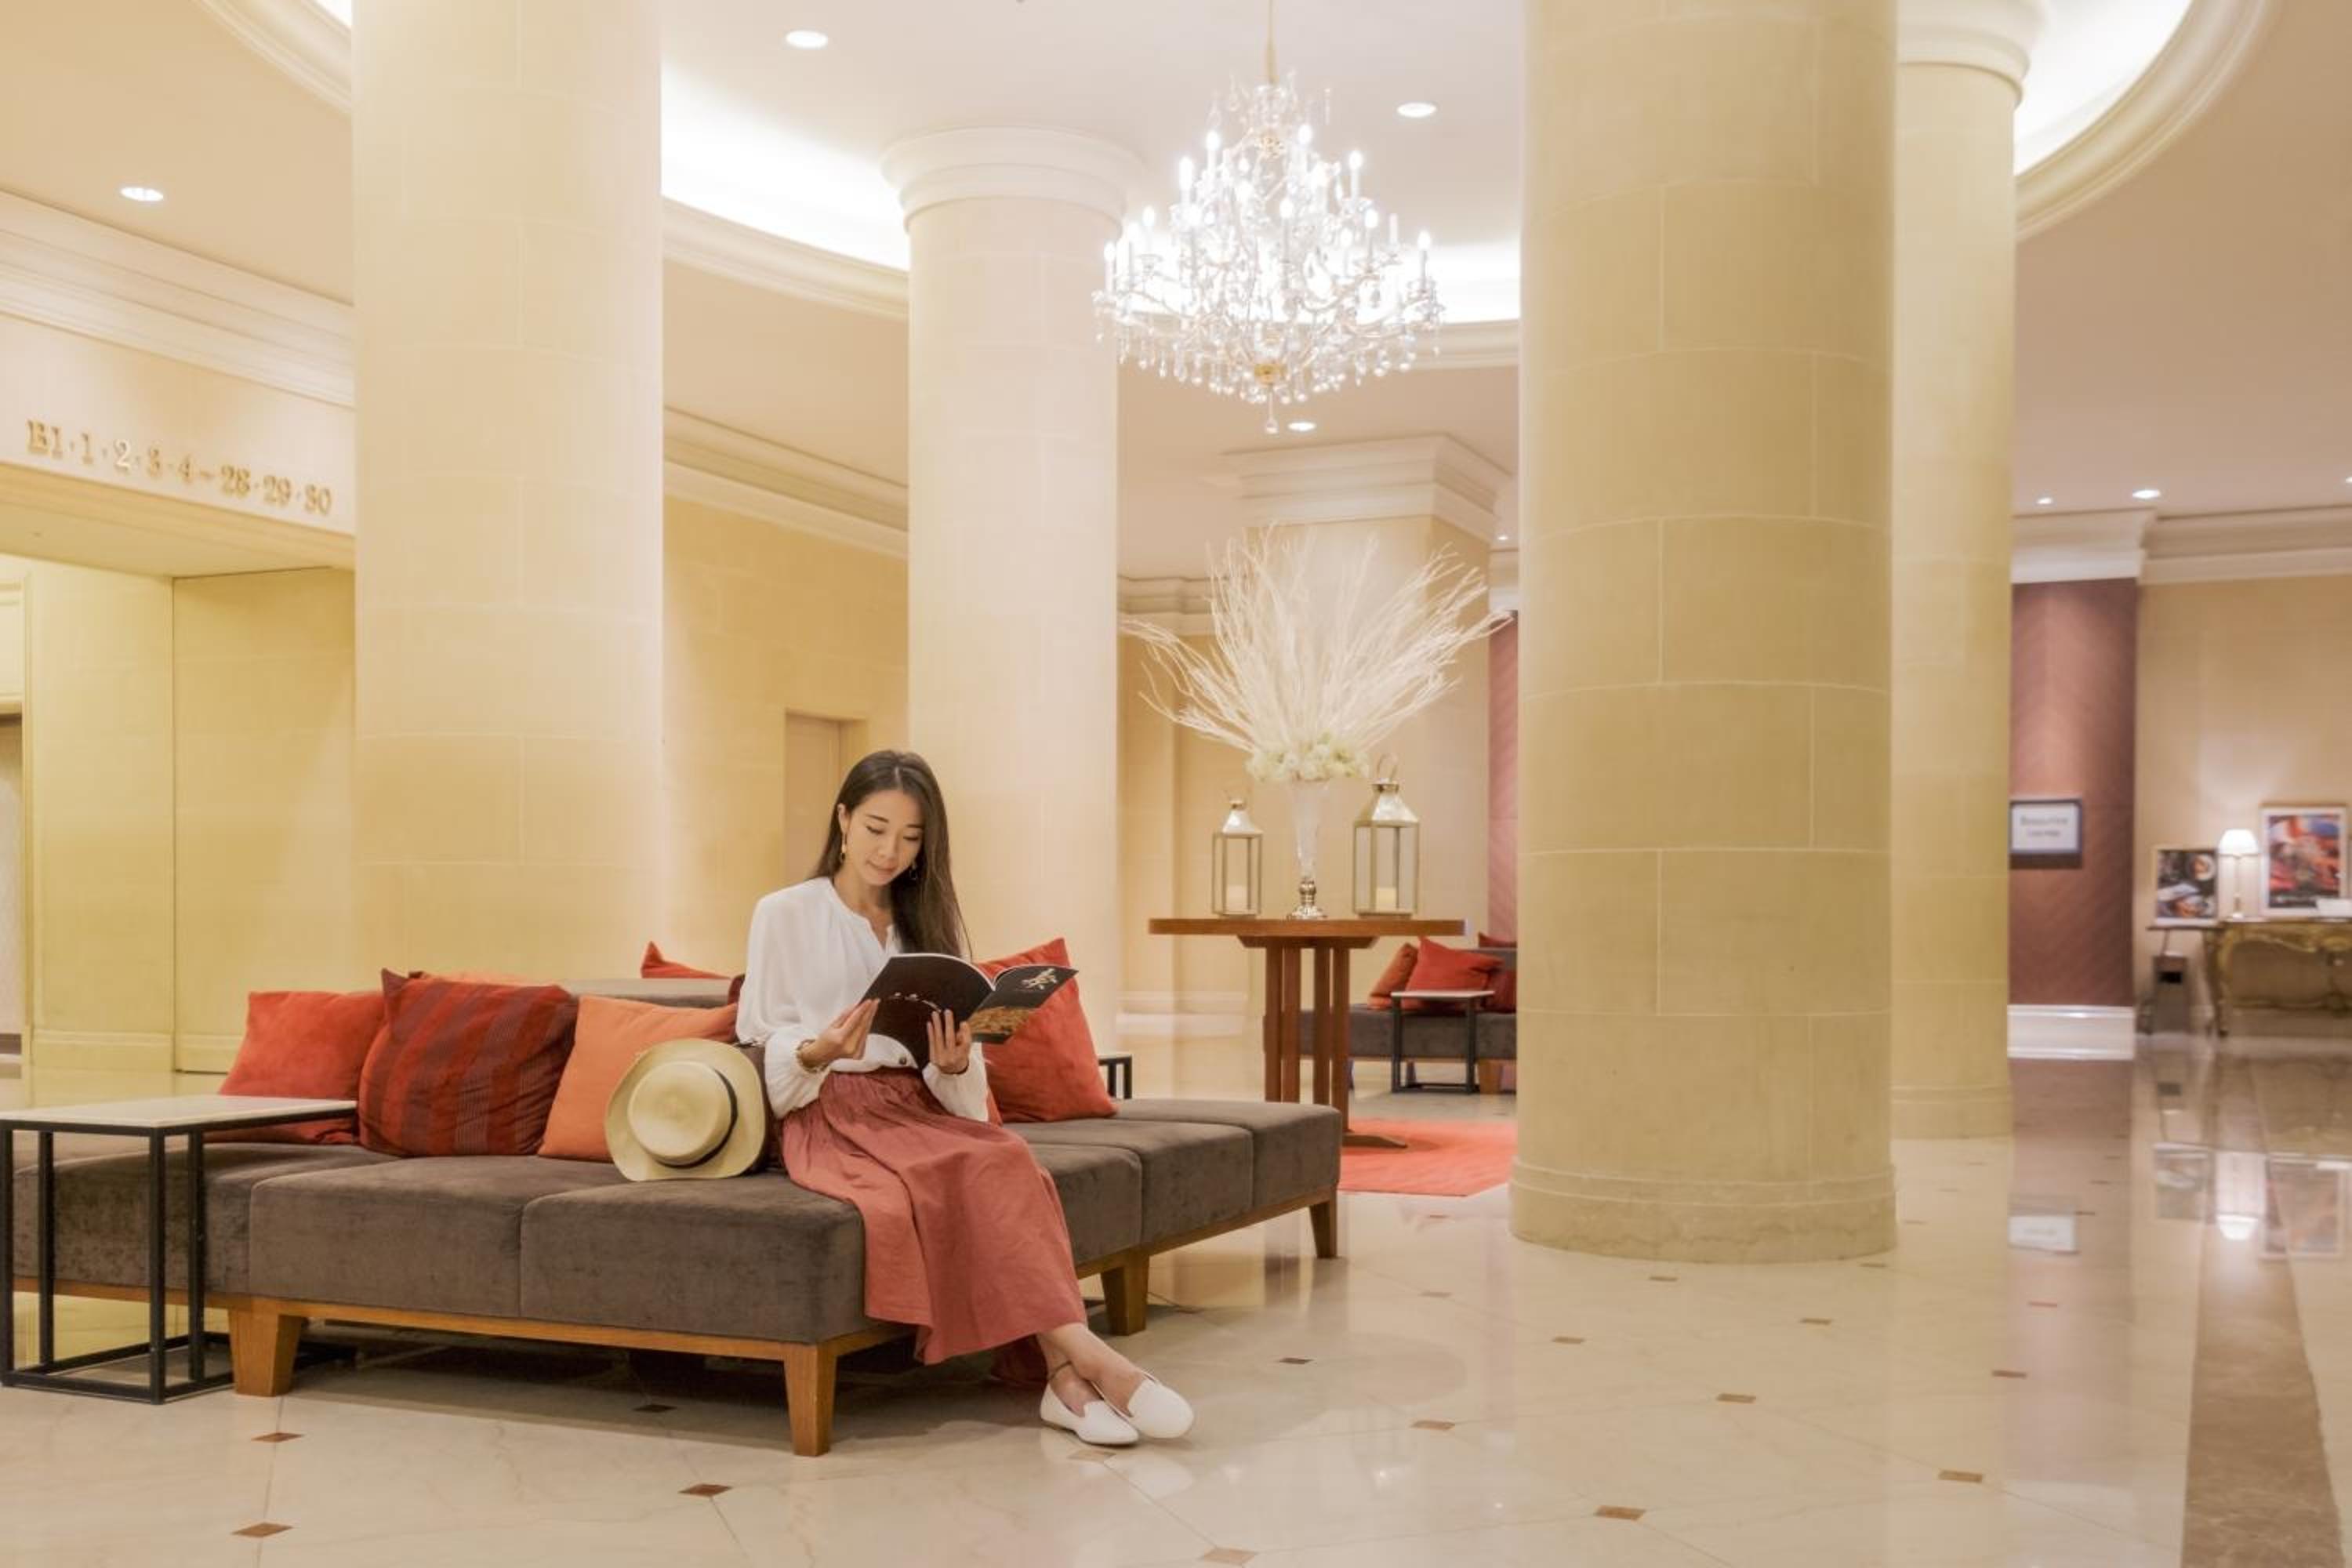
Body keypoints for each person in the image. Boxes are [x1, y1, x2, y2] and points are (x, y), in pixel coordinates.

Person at [739, 749, 1192, 1447]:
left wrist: (953, 1064)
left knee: (1006, 1159)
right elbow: (759, 1033)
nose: (890, 851)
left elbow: (956, 1082)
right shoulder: (785, 913)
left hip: (914, 1108)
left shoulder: (920, 925)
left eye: (910, 838)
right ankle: (1099, 1365)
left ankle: (1067, 1383)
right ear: (843, 820)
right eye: (876, 829)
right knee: (966, 1167)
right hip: (831, 1112)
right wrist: (818, 1050)